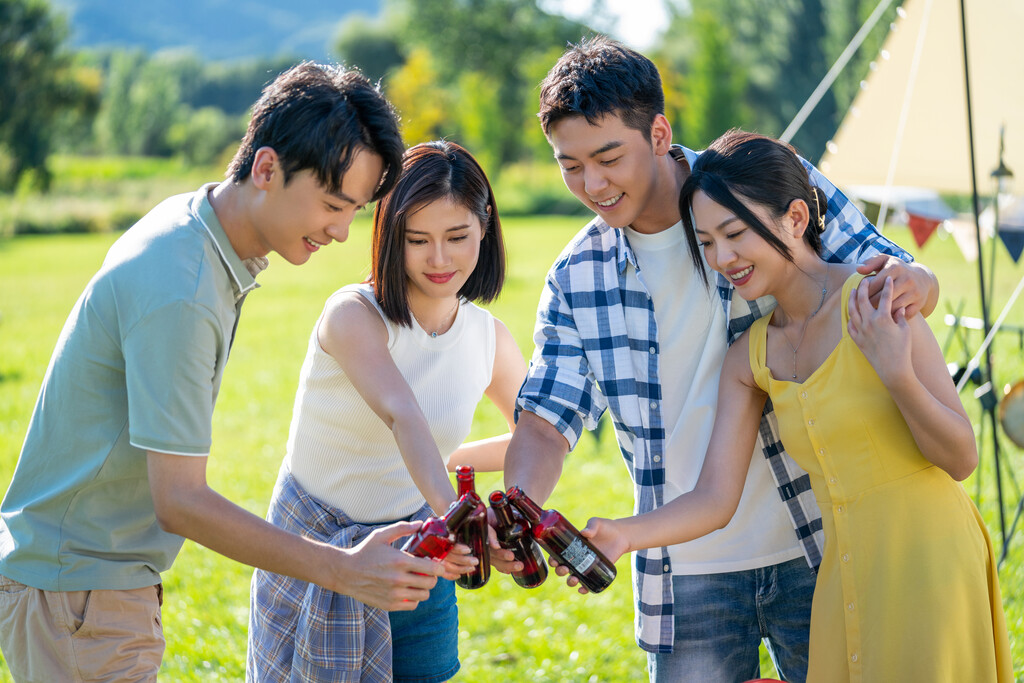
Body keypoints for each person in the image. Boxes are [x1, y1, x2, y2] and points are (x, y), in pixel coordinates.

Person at [502, 36, 940, 682]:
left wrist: (920, 281)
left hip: (819, 541)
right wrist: (517, 510)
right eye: (570, 165)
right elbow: (545, 419)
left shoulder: (753, 182)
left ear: (657, 132)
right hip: (686, 565)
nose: (591, 185)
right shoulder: (577, 276)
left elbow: (884, 266)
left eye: (607, 157)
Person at [0, 62, 451, 683]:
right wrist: (341, 567)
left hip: (90, 587)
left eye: (355, 211)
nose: (342, 232)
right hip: (80, 592)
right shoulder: (182, 284)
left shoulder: (196, 232)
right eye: (330, 204)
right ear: (266, 169)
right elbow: (179, 501)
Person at [580, 129, 1013, 681]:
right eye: (707, 242)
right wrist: (625, 534)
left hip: (928, 565)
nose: (723, 258)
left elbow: (960, 457)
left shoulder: (877, 299)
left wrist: (896, 372)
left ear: (795, 219)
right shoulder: (751, 356)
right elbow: (715, 497)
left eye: (735, 233)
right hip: (841, 579)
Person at [246, 140, 527, 683]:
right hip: (318, 547)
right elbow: (403, 415)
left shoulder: (488, 338)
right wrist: (458, 516)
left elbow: (534, 437)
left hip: (422, 553)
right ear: (389, 235)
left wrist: (452, 466)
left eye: (457, 237)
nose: (439, 259)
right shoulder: (353, 314)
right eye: (417, 240)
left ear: (485, 226)